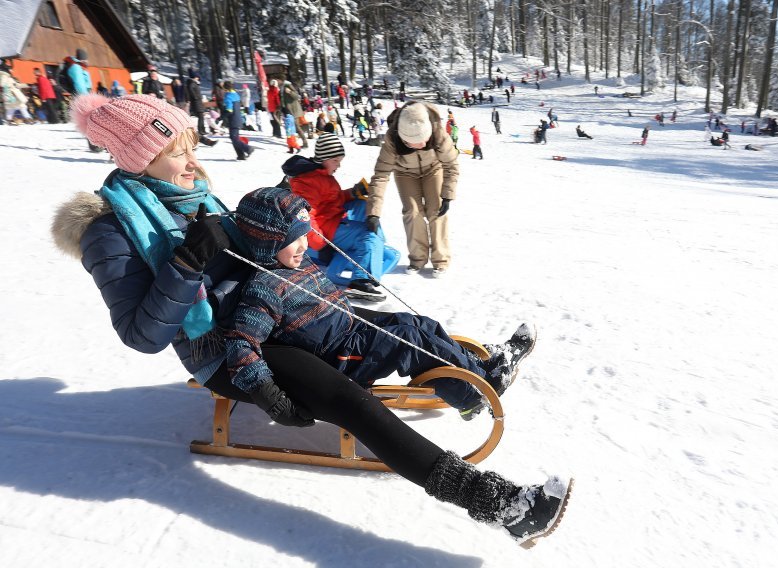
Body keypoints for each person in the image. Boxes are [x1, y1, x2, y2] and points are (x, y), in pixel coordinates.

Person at [52, 93, 572, 549]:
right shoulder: (110, 232)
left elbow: (254, 252)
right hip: (226, 349)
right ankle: (502, 505)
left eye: (191, 145)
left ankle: (475, 373)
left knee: (380, 324)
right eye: (177, 152)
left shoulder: (194, 195)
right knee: (352, 404)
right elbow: (141, 336)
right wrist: (186, 264)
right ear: (139, 158)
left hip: (277, 312)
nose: (194, 160)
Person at [229, 185, 535, 422]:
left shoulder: (294, 263)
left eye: (304, 236)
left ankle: (479, 368)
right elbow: (240, 344)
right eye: (292, 239)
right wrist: (267, 394)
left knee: (416, 323)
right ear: (267, 241)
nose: (304, 245)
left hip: (349, 336)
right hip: (337, 363)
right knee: (409, 339)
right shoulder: (264, 288)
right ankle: (471, 397)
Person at [282, 132, 394, 301]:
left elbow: (331, 200)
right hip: (326, 229)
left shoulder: (321, 176)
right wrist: (321, 245)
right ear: (323, 158)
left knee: (364, 205)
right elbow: (305, 215)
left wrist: (352, 193)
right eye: (335, 161)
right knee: (367, 235)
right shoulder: (307, 181)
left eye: (339, 161)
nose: (338, 166)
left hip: (332, 220)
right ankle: (360, 281)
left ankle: (374, 247)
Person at [365, 101, 458, 277]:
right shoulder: (392, 140)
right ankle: (417, 259)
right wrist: (373, 212)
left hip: (434, 170)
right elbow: (381, 175)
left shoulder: (438, 133)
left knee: (436, 210)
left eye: (423, 140)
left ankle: (441, 260)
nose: (421, 145)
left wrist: (447, 195)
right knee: (412, 212)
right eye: (414, 143)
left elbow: (451, 164)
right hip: (405, 173)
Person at [223, 80, 255, 160]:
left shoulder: (228, 96)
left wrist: (221, 117)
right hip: (238, 119)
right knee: (234, 138)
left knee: (234, 139)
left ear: (225, 88)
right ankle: (241, 155)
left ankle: (248, 148)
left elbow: (229, 110)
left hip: (233, 120)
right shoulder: (235, 94)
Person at [186, 69, 217, 147]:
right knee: (200, 117)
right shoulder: (192, 84)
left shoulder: (194, 84)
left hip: (198, 102)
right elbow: (192, 93)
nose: (198, 78)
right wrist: (197, 98)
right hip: (196, 103)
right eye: (197, 77)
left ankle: (202, 131)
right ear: (194, 77)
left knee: (201, 117)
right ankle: (201, 131)